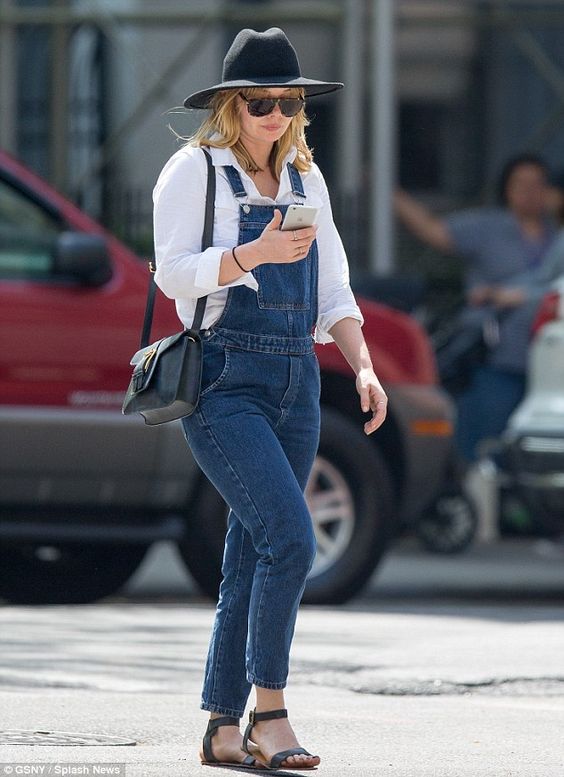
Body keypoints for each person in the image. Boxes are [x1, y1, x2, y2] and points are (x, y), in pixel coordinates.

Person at [152, 27, 387, 770]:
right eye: (260, 103)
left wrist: (365, 365)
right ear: (230, 105)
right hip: (224, 382)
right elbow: (170, 274)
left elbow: (335, 289)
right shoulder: (194, 172)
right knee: (292, 538)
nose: (275, 116)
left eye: (288, 103)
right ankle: (271, 714)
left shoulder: (305, 181)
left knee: (252, 554)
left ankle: (222, 727)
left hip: (299, 381)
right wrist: (251, 254)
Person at [394, 154, 557, 462]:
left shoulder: (556, 236)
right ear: (507, 189)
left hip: (549, 364)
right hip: (499, 359)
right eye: (521, 184)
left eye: (538, 185)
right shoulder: (488, 226)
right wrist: (389, 193)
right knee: (483, 443)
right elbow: (434, 231)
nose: (531, 192)